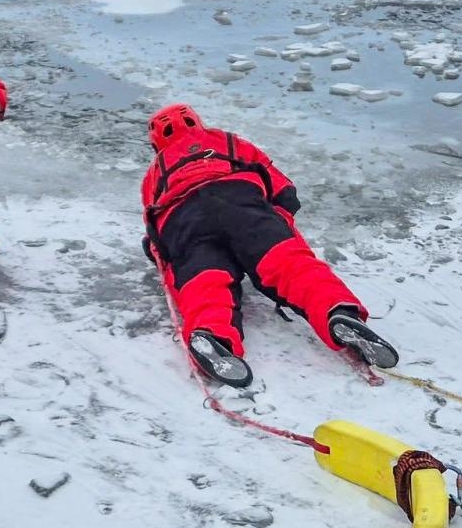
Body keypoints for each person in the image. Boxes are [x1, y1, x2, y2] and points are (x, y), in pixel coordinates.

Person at [140, 103, 397, 387]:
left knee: (204, 280)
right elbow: (282, 187)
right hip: (240, 199)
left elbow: (153, 229)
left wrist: (167, 254)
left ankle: (212, 336)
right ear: (197, 122)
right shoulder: (228, 141)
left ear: (156, 143)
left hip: (183, 218)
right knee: (289, 264)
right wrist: (275, 225)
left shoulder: (155, 171)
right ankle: (337, 312)